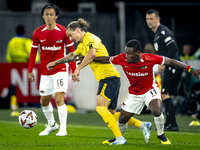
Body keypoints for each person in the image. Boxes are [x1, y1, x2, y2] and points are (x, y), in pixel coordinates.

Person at [47, 18, 152, 145]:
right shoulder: (82, 45)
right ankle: (143, 125)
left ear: (78, 30)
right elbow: (72, 56)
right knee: (111, 113)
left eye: (71, 35)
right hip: (111, 78)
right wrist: (56, 62)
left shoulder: (90, 39)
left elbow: (91, 54)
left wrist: (78, 69)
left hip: (109, 77)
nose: (70, 39)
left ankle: (120, 138)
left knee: (101, 108)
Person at [92, 39, 200, 144]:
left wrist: (190, 69)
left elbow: (171, 61)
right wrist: (89, 58)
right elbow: (106, 59)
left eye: (129, 53)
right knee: (122, 119)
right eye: (126, 52)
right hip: (134, 93)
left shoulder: (149, 58)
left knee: (157, 110)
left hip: (150, 89)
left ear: (138, 53)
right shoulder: (122, 58)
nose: (127, 55)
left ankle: (160, 134)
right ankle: (119, 138)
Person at [28, 4, 76, 136]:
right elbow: (33, 52)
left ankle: (63, 128)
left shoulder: (63, 31)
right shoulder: (38, 32)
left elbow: (72, 52)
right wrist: (30, 70)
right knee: (43, 101)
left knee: (59, 98)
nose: (49, 17)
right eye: (47, 14)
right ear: (43, 16)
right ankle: (51, 124)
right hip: (45, 72)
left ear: (56, 16)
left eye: (51, 14)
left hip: (60, 69)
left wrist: (74, 70)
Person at [146, 9, 183, 131]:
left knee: (164, 94)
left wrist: (163, 63)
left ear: (158, 19)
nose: (149, 21)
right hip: (171, 67)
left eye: (152, 19)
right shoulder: (157, 33)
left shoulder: (163, 32)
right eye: (147, 19)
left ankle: (172, 124)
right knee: (165, 95)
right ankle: (170, 124)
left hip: (173, 67)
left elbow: (173, 48)